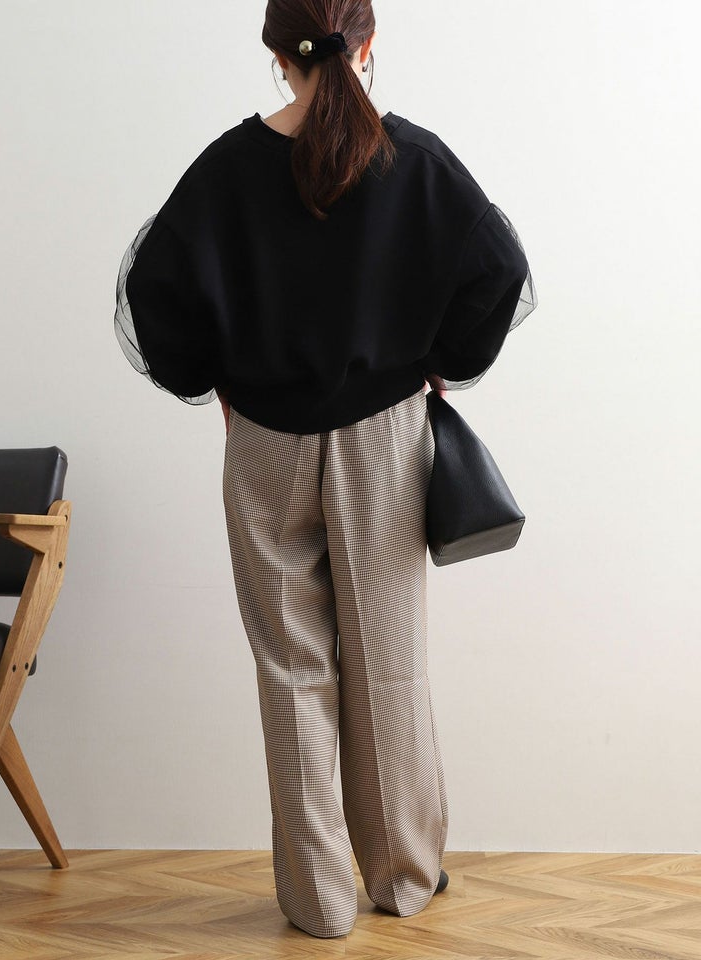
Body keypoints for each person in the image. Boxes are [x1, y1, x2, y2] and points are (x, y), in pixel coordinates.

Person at [114, 0, 537, 940]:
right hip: (384, 438)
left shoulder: (226, 168)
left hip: (263, 441)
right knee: (388, 660)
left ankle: (317, 899)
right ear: (367, 43)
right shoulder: (412, 159)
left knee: (291, 667)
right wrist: (430, 362)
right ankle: (403, 877)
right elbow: (500, 269)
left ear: (277, 53)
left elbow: (152, 290)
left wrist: (219, 381)